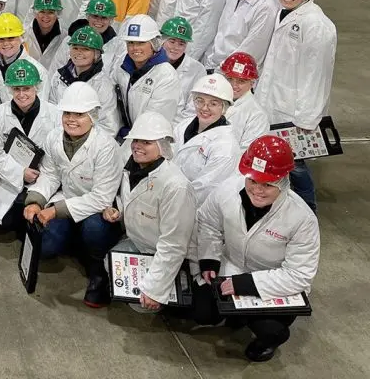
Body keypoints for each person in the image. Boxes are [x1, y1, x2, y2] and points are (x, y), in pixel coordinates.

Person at [194, 136, 319, 362]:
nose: (258, 190)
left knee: (271, 329)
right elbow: (208, 222)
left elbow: (299, 275)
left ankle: (266, 342)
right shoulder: (227, 190)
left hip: (271, 282)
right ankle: (237, 315)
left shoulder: (302, 219)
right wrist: (209, 258)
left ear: (283, 181)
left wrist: (246, 284)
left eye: (268, 184)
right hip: (231, 266)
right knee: (202, 312)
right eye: (253, 181)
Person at [23, 82, 122, 307]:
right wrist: (36, 201)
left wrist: (54, 211)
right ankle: (77, 244)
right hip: (66, 199)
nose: (71, 119)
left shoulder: (105, 146)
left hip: (99, 210)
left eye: (79, 114)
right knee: (45, 248)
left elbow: (101, 198)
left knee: (94, 229)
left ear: (93, 116)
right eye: (67, 113)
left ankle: (100, 272)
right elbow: (49, 175)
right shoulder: (55, 137)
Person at [255, 0, 335, 211]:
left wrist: (307, 119)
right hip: (273, 101)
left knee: (295, 164)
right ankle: (280, 208)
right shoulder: (284, 13)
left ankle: (308, 208)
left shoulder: (317, 25)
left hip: (295, 113)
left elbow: (317, 76)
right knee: (276, 161)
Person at [102, 112, 197, 312]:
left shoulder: (175, 186)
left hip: (166, 253)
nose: (137, 146)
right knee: (109, 262)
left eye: (146, 142)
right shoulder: (132, 168)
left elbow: (174, 244)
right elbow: (132, 199)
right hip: (140, 242)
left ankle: (179, 287)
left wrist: (156, 289)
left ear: (163, 146)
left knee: (142, 305)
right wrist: (117, 209)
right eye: (136, 140)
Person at [0, 59, 58, 232]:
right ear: (10, 89)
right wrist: (20, 173)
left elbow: (57, 155)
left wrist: (37, 175)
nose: (21, 94)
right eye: (16, 89)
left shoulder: (55, 114)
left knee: (34, 227)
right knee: (1, 226)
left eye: (26, 88)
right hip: (9, 176)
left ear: (37, 87)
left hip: (42, 177)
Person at [173, 74, 241, 205]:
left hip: (191, 209)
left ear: (224, 108)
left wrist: (171, 201)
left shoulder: (226, 147)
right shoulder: (183, 126)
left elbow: (204, 190)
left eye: (213, 104)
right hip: (167, 197)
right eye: (200, 101)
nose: (204, 108)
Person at [111, 15, 180, 137]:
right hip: (127, 134)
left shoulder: (166, 75)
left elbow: (152, 123)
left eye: (141, 43)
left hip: (151, 138)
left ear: (154, 44)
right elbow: (112, 107)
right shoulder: (122, 66)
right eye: (130, 42)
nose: (134, 48)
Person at [206, 0, 277, 70]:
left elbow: (253, 46)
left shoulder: (267, 5)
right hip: (215, 63)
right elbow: (222, 29)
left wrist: (224, 68)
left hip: (238, 70)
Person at [48, 26, 118, 136]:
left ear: (96, 54)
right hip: (58, 139)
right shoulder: (58, 76)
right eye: (75, 48)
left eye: (86, 49)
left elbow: (108, 127)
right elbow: (51, 112)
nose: (79, 53)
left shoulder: (104, 85)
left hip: (89, 145)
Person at [0, 12, 49, 112]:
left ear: (21, 38)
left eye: (11, 38)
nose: (6, 43)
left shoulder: (38, 70)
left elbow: (41, 109)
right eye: (1, 39)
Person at [159, 17, 206, 121]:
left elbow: (193, 108)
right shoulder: (150, 62)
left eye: (181, 44)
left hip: (178, 126)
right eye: (172, 41)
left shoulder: (198, 70)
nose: (176, 47)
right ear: (162, 40)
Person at [25, 0, 65, 72]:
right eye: (42, 11)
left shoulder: (65, 38)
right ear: (35, 13)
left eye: (51, 12)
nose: (46, 16)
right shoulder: (23, 35)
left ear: (58, 14)